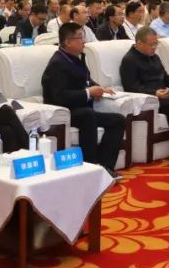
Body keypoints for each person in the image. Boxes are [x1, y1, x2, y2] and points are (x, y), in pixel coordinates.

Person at [41, 23, 126, 177]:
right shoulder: (57, 63)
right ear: (68, 42)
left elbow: (85, 79)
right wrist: (88, 93)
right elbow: (59, 96)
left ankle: (104, 167)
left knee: (118, 120)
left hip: (81, 109)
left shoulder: (77, 57)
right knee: (88, 115)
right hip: (64, 111)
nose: (84, 41)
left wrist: (99, 88)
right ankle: (90, 167)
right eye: (80, 38)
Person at [119, 27, 169, 129]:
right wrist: (154, 93)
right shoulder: (129, 60)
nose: (154, 47)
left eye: (156, 43)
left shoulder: (154, 57)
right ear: (139, 43)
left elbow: (165, 78)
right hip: (148, 100)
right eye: (151, 44)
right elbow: (131, 87)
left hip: (164, 97)